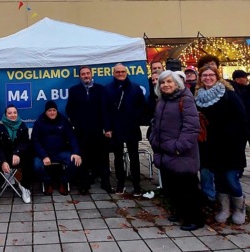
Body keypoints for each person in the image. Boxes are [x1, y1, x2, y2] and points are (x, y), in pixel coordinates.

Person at [149, 70, 204, 231]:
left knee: (188, 189)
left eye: (169, 82)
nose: (165, 85)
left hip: (182, 154)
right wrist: (153, 139)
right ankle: (181, 213)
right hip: (165, 152)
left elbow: (192, 128)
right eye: (162, 82)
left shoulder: (186, 100)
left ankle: (195, 219)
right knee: (173, 187)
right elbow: (154, 123)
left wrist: (178, 147)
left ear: (176, 83)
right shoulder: (161, 101)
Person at [195, 66, 248, 225]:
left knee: (231, 178)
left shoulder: (228, 94)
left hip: (231, 145)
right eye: (204, 75)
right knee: (219, 179)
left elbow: (243, 118)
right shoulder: (198, 97)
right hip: (211, 146)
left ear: (217, 77)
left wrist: (237, 139)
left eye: (211, 75)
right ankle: (224, 208)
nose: (208, 78)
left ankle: (239, 208)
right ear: (200, 78)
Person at [66, 66, 112, 195]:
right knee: (83, 158)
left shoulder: (100, 89)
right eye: (83, 74)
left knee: (103, 157)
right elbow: (70, 109)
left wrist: (107, 128)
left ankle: (105, 182)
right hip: (82, 131)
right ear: (80, 77)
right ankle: (84, 184)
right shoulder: (74, 91)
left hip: (98, 130)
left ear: (92, 75)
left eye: (87, 73)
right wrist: (76, 123)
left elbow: (106, 110)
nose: (86, 76)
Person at [103, 63, 146, 196]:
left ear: (126, 72)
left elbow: (142, 106)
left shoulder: (135, 88)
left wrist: (135, 118)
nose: (120, 74)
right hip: (116, 128)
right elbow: (105, 110)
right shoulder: (107, 89)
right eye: (117, 72)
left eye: (122, 71)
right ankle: (120, 183)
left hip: (131, 127)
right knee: (118, 157)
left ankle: (137, 184)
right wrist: (108, 128)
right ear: (113, 73)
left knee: (134, 157)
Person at [0, 105, 32, 213]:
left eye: (15, 112)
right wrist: (3, 161)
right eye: (10, 113)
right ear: (5, 114)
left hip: (17, 156)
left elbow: (25, 143)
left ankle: (25, 187)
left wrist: (17, 153)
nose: (13, 115)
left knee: (29, 159)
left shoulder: (23, 125)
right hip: (3, 156)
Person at [32, 100, 82, 195]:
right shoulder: (39, 122)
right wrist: (43, 156)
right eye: (49, 110)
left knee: (75, 161)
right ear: (46, 112)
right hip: (44, 153)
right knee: (36, 165)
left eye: (54, 110)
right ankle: (48, 183)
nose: (52, 112)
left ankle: (63, 182)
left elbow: (72, 138)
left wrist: (76, 152)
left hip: (60, 152)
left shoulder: (63, 121)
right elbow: (35, 141)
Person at [196, 55, 221, 206]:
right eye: (205, 70)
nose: (209, 75)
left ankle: (227, 202)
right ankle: (209, 201)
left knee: (224, 174)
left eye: (212, 67)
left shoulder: (228, 91)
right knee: (205, 171)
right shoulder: (197, 93)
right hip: (204, 139)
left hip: (223, 139)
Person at [230, 70, 250, 147]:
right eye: (244, 77)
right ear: (237, 79)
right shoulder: (233, 91)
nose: (247, 79)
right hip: (240, 126)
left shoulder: (247, 89)